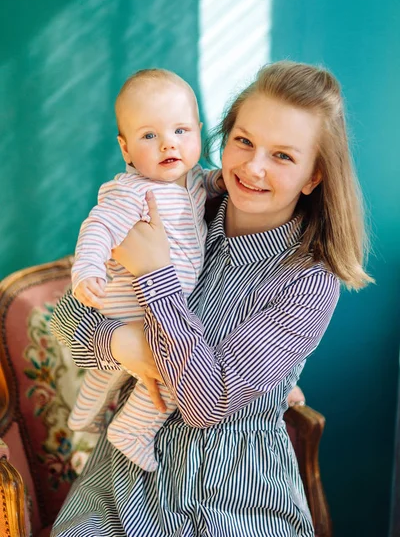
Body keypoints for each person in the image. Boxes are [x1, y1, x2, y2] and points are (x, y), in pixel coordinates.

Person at [50, 61, 373, 537]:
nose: (253, 167)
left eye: (283, 156)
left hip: (236, 498)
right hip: (123, 482)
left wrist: (156, 275)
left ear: (313, 176)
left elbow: (206, 403)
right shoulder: (178, 202)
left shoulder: (308, 282)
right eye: (244, 141)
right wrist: (124, 346)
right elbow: (67, 324)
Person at [69, 68, 223, 472]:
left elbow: (211, 182)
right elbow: (99, 226)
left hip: (161, 304)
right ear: (125, 148)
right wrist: (87, 270)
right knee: (174, 370)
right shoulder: (133, 190)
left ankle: (82, 412)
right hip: (136, 301)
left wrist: (225, 179)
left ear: (199, 132)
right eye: (149, 135)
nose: (168, 143)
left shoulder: (193, 181)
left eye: (180, 131)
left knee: (116, 373)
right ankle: (133, 429)